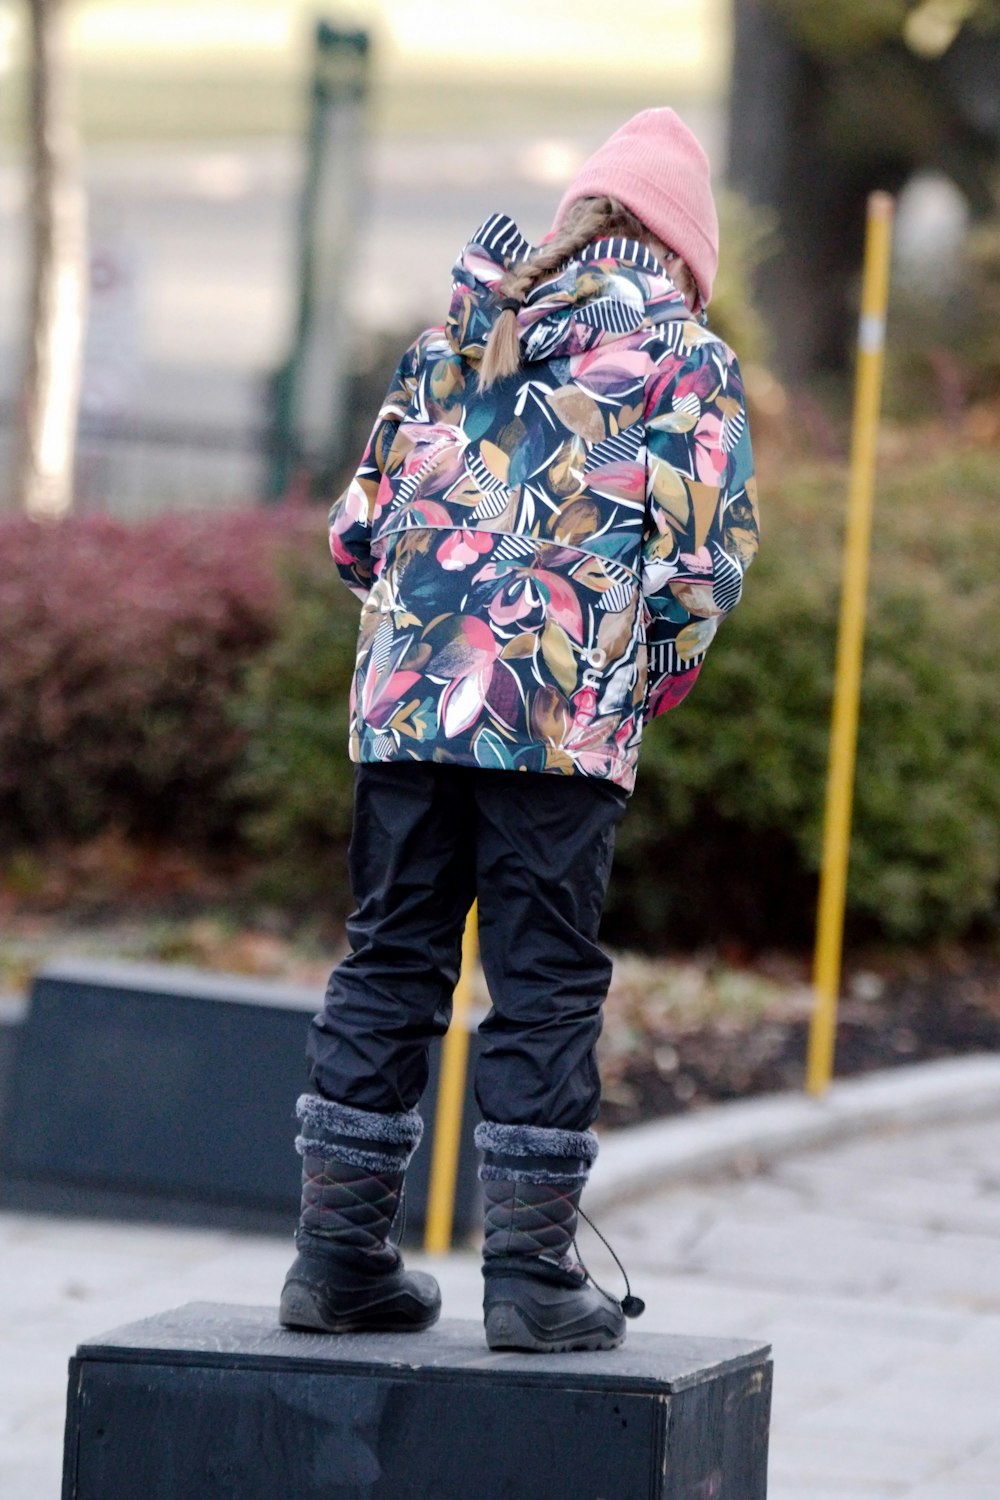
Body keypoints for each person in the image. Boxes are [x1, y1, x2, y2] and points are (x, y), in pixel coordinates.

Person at [279, 108, 759, 1353]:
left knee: (389, 959)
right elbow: (701, 572)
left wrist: (424, 637)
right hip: (554, 715)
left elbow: (350, 532)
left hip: (402, 712)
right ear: (682, 249)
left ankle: (336, 1264)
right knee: (541, 983)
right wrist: (632, 685)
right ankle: (533, 1282)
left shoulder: (458, 331)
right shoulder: (682, 359)